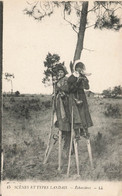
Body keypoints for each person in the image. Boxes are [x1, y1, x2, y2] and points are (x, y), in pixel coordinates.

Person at [68, 60, 93, 139]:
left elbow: (87, 87)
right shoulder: (72, 77)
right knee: (76, 115)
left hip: (82, 96)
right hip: (74, 97)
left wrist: (85, 81)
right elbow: (70, 90)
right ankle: (77, 133)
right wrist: (78, 82)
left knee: (83, 114)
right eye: (78, 67)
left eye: (81, 67)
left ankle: (84, 131)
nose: (79, 69)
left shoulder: (83, 76)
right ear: (75, 68)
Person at [53, 64, 71, 154]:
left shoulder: (66, 80)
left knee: (66, 121)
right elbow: (55, 92)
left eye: (61, 72)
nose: (60, 73)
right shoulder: (57, 81)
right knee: (60, 119)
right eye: (59, 72)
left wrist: (62, 92)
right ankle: (61, 134)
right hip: (58, 103)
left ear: (64, 73)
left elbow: (68, 89)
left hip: (65, 102)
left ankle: (68, 145)